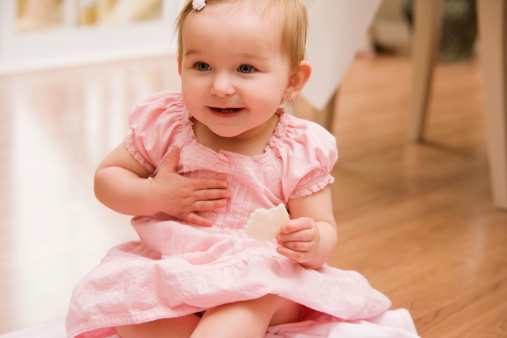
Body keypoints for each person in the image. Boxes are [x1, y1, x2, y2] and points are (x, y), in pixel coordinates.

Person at [66, 0, 418, 337]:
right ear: (180, 66)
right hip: (174, 269)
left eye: (245, 69)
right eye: (202, 66)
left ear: (293, 81)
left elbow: (324, 228)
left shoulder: (297, 149)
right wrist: (154, 194)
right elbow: (106, 179)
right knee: (130, 306)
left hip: (260, 279)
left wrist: (312, 240)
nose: (220, 87)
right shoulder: (168, 125)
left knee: (244, 304)